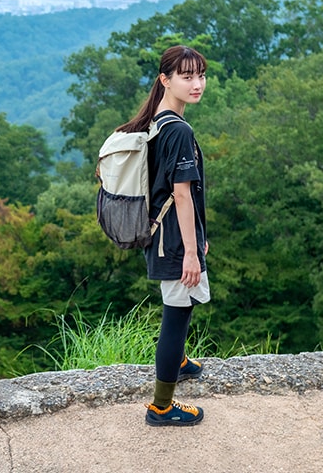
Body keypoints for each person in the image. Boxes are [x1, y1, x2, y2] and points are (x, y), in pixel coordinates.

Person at [117, 45, 210, 426]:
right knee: (176, 314)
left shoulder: (157, 120)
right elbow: (182, 193)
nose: (197, 84)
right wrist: (191, 251)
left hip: (162, 232)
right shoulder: (179, 130)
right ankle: (161, 406)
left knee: (181, 307)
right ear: (165, 80)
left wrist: (198, 237)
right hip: (172, 240)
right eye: (187, 76)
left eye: (201, 75)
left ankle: (180, 360)